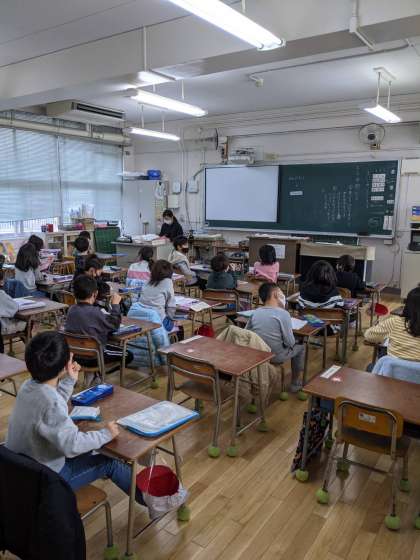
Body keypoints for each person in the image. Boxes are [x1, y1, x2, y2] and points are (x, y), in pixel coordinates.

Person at [5, 331, 144, 505]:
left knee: (92, 448)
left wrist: (69, 381)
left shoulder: (28, 386)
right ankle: (152, 501)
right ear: (65, 364)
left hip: (20, 469)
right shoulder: (52, 403)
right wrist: (106, 434)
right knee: (110, 462)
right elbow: (72, 445)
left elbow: (51, 404)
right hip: (47, 480)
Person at [247, 282, 305, 392]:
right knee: (301, 347)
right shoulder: (283, 314)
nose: (283, 295)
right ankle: (295, 383)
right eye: (281, 292)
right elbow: (290, 343)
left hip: (258, 353)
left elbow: (246, 333)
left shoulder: (256, 312)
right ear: (275, 294)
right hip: (275, 356)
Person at [65, 275, 133, 367]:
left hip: (75, 356)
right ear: (95, 294)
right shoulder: (95, 312)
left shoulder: (71, 310)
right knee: (128, 355)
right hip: (94, 357)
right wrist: (115, 305)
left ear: (74, 294)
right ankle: (101, 373)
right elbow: (115, 325)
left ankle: (95, 373)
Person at [365, 287, 420, 363]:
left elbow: (368, 335)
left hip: (391, 369)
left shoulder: (395, 322)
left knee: (371, 365)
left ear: (407, 305)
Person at [139, 260, 176, 330]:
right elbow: (171, 306)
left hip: (141, 317)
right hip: (157, 320)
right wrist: (171, 319)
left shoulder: (148, 281)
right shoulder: (168, 282)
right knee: (178, 324)